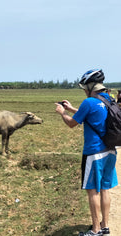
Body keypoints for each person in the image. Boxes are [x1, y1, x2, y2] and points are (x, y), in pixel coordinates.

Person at [55, 69, 118, 236]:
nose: (84, 90)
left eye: (84, 87)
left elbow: (71, 124)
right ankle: (104, 226)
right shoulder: (109, 99)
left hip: (94, 152)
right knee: (105, 189)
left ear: (90, 86)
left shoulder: (89, 101)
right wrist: (72, 108)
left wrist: (63, 113)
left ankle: (95, 230)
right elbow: (93, 116)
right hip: (111, 151)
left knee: (93, 191)